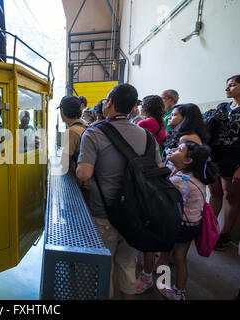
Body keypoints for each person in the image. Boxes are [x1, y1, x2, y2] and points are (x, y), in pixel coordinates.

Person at [76, 84, 162, 300]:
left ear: (109, 102)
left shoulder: (94, 132)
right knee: (127, 265)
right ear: (134, 107)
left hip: (105, 212)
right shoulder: (147, 136)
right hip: (137, 214)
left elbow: (84, 174)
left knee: (104, 266)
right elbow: (159, 172)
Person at [155, 141, 217, 300]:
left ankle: (163, 285)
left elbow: (160, 197)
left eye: (180, 149)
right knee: (180, 259)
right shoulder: (196, 177)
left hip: (177, 225)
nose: (174, 149)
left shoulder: (178, 180)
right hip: (192, 225)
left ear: (188, 161)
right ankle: (180, 292)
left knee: (164, 257)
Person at [205, 74, 240, 250]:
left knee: (231, 197)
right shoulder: (222, 107)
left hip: (234, 160)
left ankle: (225, 235)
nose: (227, 89)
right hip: (215, 157)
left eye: (232, 85)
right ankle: (209, 230)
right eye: (227, 85)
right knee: (214, 193)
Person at [58, 96, 87, 175]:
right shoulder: (84, 125)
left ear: (62, 110)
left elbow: (64, 162)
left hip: (79, 181)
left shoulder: (72, 131)